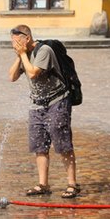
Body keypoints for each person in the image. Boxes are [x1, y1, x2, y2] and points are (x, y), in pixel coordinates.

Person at [8, 25, 80, 198]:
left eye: (17, 41)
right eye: (12, 41)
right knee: (39, 145)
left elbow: (33, 73)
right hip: (37, 105)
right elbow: (12, 77)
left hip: (57, 101)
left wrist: (23, 54)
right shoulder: (23, 54)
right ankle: (43, 184)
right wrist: (20, 56)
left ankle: (72, 184)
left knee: (62, 143)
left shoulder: (44, 51)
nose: (15, 44)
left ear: (27, 37)